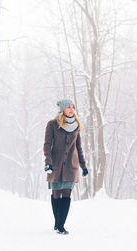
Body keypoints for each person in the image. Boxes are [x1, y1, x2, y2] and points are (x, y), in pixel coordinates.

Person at [43, 99, 89, 235]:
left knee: (67, 193)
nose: (71, 110)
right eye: (68, 107)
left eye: (73, 107)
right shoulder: (52, 124)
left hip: (71, 166)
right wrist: (48, 162)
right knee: (56, 193)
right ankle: (57, 222)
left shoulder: (76, 126)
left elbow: (78, 147)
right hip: (55, 165)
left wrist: (83, 166)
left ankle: (61, 225)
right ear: (62, 109)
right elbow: (47, 145)